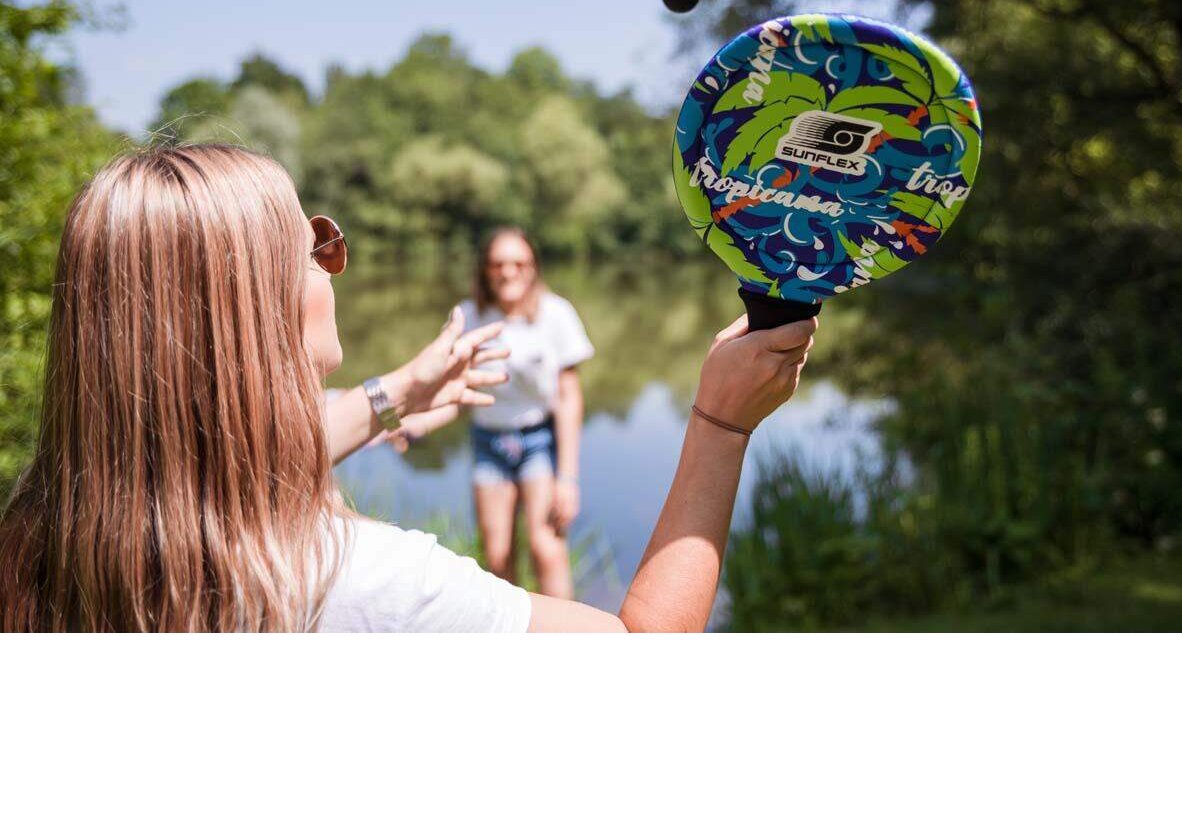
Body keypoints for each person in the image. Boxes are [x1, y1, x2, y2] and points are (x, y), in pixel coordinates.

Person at [0, 144, 817, 632]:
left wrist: (400, 392)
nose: (332, 266)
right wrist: (720, 422)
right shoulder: (368, 585)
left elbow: (204, 456)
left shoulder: (34, 536)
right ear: (256, 303)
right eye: (314, 244)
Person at [460, 227, 591, 598]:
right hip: (488, 442)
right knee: (497, 556)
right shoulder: (469, 316)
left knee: (546, 548)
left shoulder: (556, 314)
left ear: (533, 268)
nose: (508, 272)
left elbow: (569, 398)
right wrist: (401, 422)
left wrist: (568, 478)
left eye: (519, 263)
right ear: (485, 270)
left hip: (539, 440)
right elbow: (449, 388)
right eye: (498, 264)